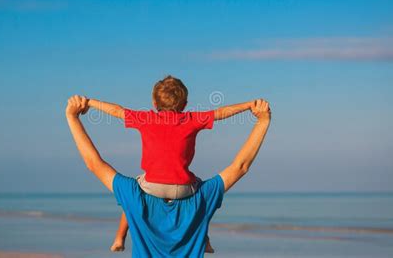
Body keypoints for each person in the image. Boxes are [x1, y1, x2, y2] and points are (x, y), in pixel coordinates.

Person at [66, 94, 271, 257]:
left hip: (146, 194)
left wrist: (73, 115)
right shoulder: (201, 198)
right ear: (185, 102)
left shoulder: (135, 196)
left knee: (134, 192)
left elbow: (94, 164)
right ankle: (204, 239)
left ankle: (120, 238)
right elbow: (240, 166)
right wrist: (262, 120)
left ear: (154, 102)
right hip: (189, 195)